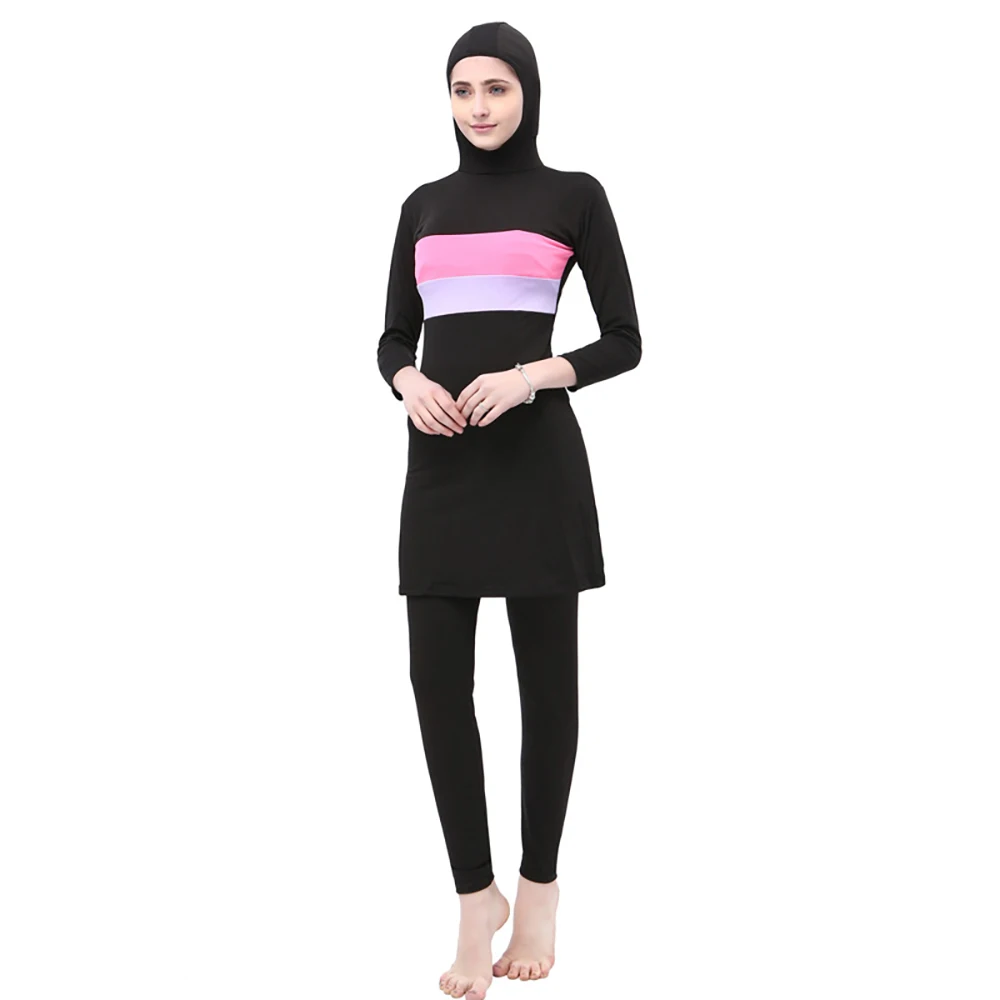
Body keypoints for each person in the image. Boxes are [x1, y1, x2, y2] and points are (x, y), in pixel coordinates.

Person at [376, 21, 641, 1000]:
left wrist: (531, 375)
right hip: (441, 467)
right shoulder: (422, 205)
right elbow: (392, 336)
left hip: (534, 468)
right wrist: (406, 380)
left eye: (496, 88)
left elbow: (625, 338)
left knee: (545, 687)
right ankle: (471, 897)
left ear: (527, 91)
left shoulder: (573, 196)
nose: (479, 106)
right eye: (462, 90)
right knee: (436, 682)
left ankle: (538, 890)